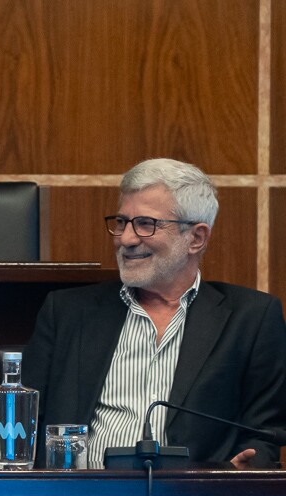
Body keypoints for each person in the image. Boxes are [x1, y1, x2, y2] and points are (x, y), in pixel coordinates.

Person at [23, 158, 286, 469]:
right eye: (122, 222)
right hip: (83, 491)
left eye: (146, 224)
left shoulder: (251, 319)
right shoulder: (67, 312)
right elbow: (28, 424)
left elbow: (266, 434)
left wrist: (241, 470)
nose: (126, 239)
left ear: (196, 238)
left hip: (195, 495)